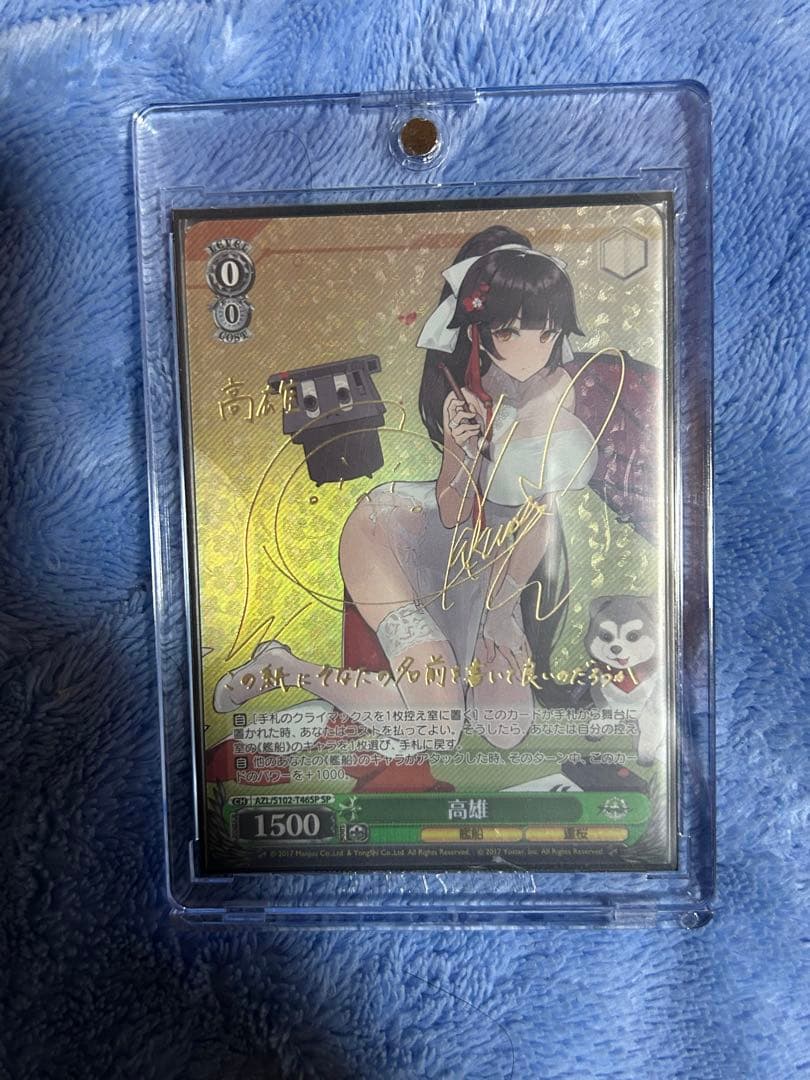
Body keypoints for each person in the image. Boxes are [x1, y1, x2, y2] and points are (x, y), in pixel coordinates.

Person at [213, 225, 601, 752]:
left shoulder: (556, 390)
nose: (531, 350)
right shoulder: (461, 393)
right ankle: (286, 667)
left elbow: (541, 516)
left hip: (485, 558)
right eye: (510, 332)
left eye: (545, 333)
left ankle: (360, 702)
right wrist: (462, 451)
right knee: (438, 727)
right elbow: (453, 511)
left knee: (506, 731)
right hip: (397, 537)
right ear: (478, 330)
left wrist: (500, 613)